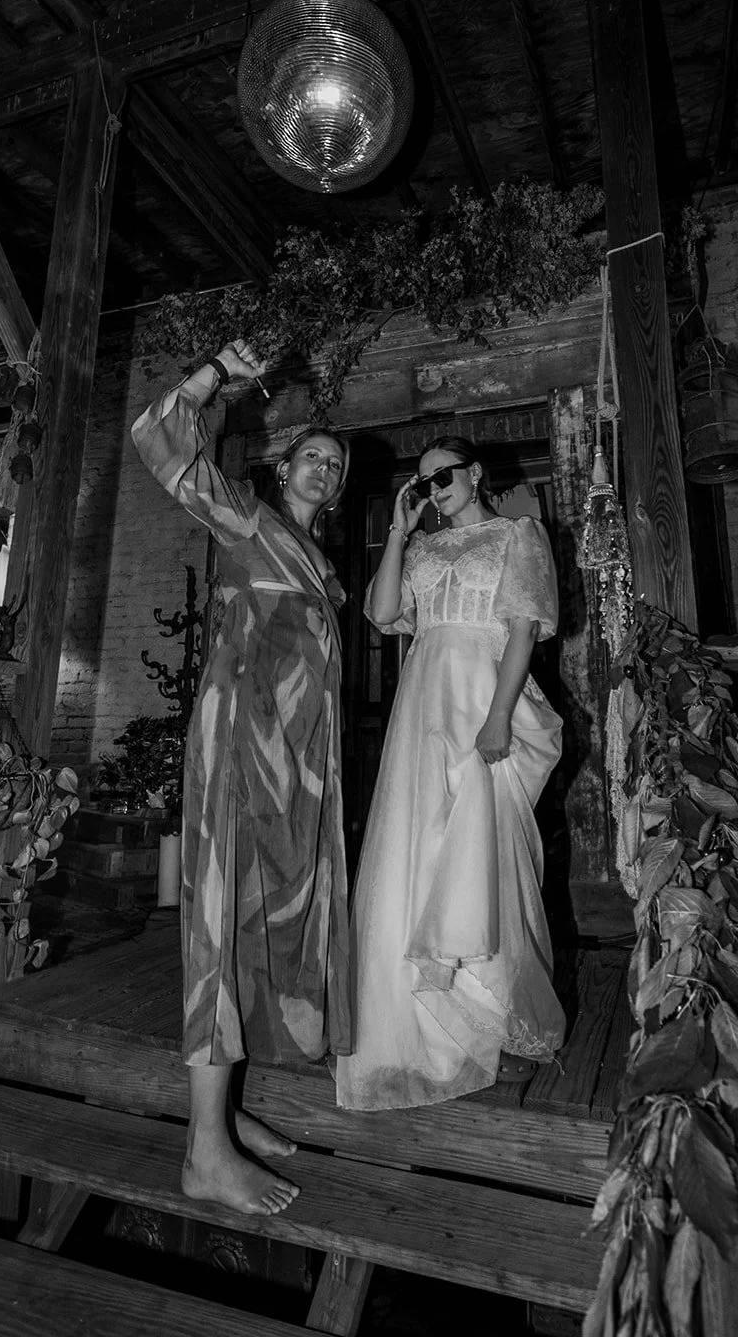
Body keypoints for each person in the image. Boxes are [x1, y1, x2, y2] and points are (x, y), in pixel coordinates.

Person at [132, 340, 351, 1214]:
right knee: (220, 931)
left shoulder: (317, 560)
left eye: (336, 464)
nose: (326, 470)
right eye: (312, 456)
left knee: (264, 928)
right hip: (239, 751)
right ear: (281, 464)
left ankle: (231, 1116)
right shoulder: (247, 518)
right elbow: (160, 437)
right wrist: (212, 375)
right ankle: (201, 1153)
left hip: (293, 768)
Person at [336, 436, 566, 1111]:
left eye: (444, 476)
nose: (434, 487)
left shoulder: (517, 534)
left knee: (483, 850)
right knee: (414, 846)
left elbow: (523, 628)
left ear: (476, 474)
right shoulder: (421, 547)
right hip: (423, 704)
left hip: (483, 695)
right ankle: (408, 1020)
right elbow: (382, 616)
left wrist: (497, 717)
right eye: (423, 480)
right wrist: (397, 534)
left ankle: (492, 1022)